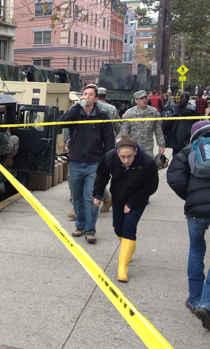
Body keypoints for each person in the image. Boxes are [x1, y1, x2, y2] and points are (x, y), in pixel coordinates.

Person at [93, 134, 159, 282]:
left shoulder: (147, 162)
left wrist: (132, 203)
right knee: (118, 228)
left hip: (138, 198)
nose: (126, 160)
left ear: (136, 151)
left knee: (129, 227)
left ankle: (122, 267)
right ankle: (130, 246)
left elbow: (151, 186)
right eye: (123, 157)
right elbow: (102, 175)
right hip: (119, 196)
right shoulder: (110, 157)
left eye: (129, 156)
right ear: (117, 152)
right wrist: (97, 193)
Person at [167, 120, 210, 330]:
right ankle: (207, 303)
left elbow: (174, 178)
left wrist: (191, 196)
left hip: (195, 213)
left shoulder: (187, 151)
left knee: (196, 250)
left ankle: (194, 300)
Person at [59, 84, 115, 244]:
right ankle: (80, 226)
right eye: (85, 94)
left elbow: (109, 141)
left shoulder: (102, 116)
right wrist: (77, 106)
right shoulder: (75, 114)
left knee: (90, 198)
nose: (87, 97)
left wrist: (108, 163)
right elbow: (61, 123)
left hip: (94, 163)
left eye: (91, 94)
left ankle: (90, 230)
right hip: (76, 162)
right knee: (77, 197)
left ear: (96, 98)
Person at [120, 90, 165, 157]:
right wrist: (124, 146)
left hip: (148, 147)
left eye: (145, 98)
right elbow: (124, 132)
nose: (144, 100)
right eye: (141, 98)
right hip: (133, 147)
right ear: (136, 100)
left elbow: (158, 129)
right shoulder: (129, 113)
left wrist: (161, 145)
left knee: (149, 163)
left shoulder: (153, 112)